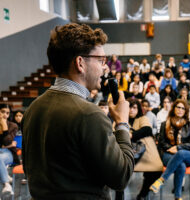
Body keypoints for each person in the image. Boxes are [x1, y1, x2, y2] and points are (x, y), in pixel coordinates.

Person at [21, 23, 134, 199]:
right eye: (101, 60)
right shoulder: (90, 114)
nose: (106, 67)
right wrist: (122, 124)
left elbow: (30, 171)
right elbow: (121, 177)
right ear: (80, 63)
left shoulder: (32, 109)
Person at [150, 100, 190, 200]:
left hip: (188, 154)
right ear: (174, 108)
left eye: (183, 108)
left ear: (186, 111)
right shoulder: (164, 124)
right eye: (178, 107)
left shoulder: (189, 124)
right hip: (168, 153)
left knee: (180, 153)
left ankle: (162, 179)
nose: (180, 110)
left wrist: (178, 148)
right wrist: (171, 149)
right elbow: (161, 142)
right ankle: (177, 196)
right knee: (181, 165)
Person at [127, 99, 163, 199]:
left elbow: (147, 129)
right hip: (126, 152)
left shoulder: (142, 118)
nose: (131, 110)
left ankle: (143, 193)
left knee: (156, 169)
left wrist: (131, 135)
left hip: (142, 152)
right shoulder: (121, 119)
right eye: (129, 107)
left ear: (138, 109)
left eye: (134, 108)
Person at [0, 104, 19, 195]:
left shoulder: (13, 126)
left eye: (7, 113)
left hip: (8, 153)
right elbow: (9, 144)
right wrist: (6, 145)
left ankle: (6, 183)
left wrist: (4, 127)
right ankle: (5, 177)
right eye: (2, 112)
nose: (5, 115)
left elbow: (7, 142)